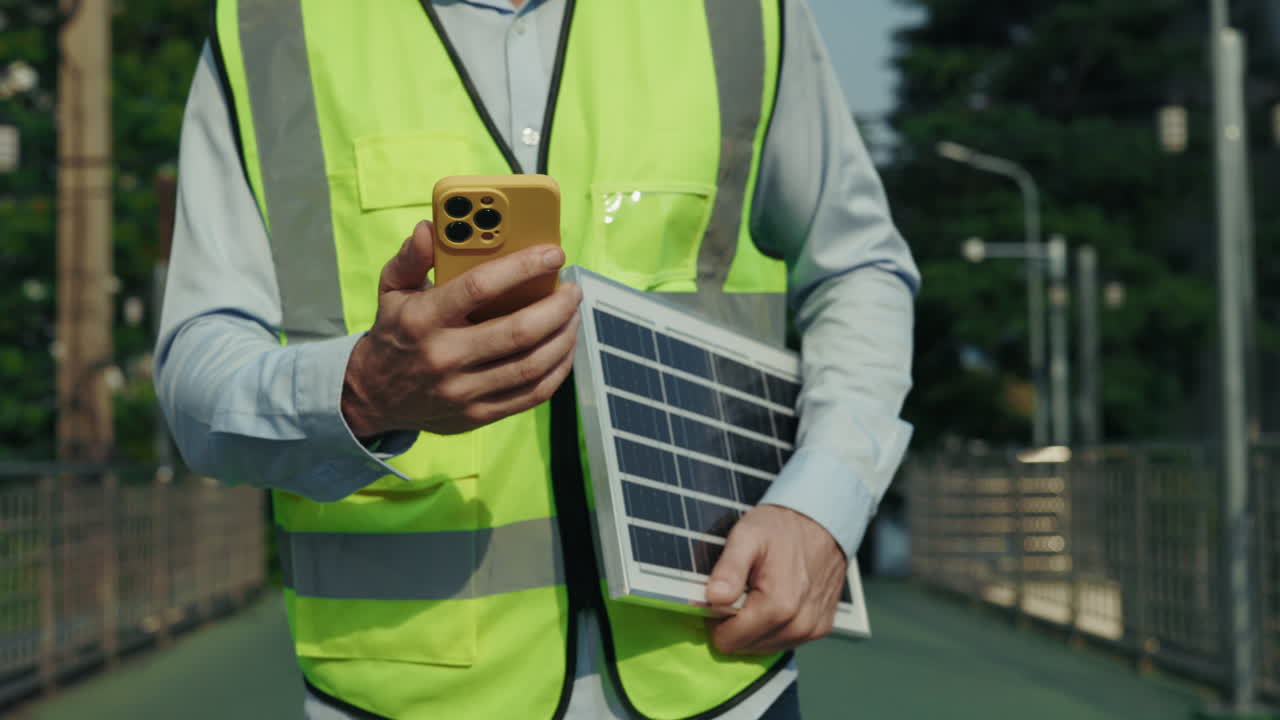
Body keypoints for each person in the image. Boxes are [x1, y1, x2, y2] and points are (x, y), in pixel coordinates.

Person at [156, 0, 919, 718]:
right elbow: (196, 377)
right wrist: (360, 393)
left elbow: (856, 266)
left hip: (717, 681)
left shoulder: (741, 12)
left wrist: (822, 503)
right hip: (403, 697)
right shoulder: (270, 25)